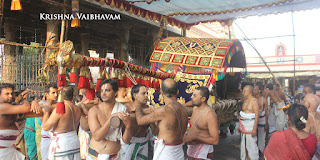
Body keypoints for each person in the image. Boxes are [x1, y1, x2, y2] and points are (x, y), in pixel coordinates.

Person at [135, 78, 188, 160]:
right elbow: (157, 131)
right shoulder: (183, 110)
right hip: (179, 153)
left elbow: (140, 121)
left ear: (161, 92)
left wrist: (137, 105)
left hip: (166, 154)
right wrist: (152, 119)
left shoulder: (164, 110)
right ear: (177, 92)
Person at [87, 79, 132, 160]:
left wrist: (128, 126)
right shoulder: (94, 111)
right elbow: (97, 137)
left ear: (115, 93)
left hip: (115, 155)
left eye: (107, 90)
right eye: (101, 91)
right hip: (95, 155)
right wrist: (110, 120)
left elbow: (126, 141)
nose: (103, 93)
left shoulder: (122, 109)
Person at [0, 83, 39, 159]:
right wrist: (26, 100)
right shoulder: (2, 107)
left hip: (9, 151)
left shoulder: (10, 105)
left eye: (12, 93)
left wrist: (33, 102)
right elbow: (26, 108)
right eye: (7, 94)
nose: (10, 96)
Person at [42, 86, 81, 160]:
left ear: (61, 96)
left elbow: (45, 127)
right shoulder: (77, 108)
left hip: (62, 144)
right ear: (72, 96)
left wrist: (46, 112)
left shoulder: (60, 108)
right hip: (74, 141)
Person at [183, 86, 219, 160]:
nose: (191, 97)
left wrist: (195, 137)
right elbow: (190, 103)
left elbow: (215, 141)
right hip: (191, 149)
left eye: (195, 95)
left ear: (203, 99)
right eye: (192, 94)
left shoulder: (210, 114)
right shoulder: (195, 108)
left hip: (203, 152)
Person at [123, 84, 153, 160]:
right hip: (129, 143)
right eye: (143, 93)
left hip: (144, 143)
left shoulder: (148, 108)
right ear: (135, 95)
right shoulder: (126, 107)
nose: (146, 96)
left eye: (147, 93)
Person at [238, 85, 259, 160]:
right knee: (244, 145)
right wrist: (239, 125)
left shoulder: (254, 101)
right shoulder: (245, 101)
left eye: (244, 91)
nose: (243, 92)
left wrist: (254, 129)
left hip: (250, 126)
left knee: (251, 146)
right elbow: (242, 114)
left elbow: (257, 115)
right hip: (244, 126)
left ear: (249, 91)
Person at [40, 84, 58, 160]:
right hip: (46, 138)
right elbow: (45, 125)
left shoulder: (60, 105)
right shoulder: (41, 105)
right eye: (53, 93)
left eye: (57, 93)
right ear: (46, 94)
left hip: (58, 139)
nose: (56, 95)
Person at [303, 93, 320, 159]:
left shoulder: (306, 117)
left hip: (312, 149)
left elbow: (304, 136)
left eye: (304, 101)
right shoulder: (318, 114)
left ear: (307, 105)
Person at [253, 85, 268, 155]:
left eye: (256, 89)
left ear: (259, 90)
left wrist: (266, 123)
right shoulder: (252, 100)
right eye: (254, 90)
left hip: (262, 120)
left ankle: (260, 151)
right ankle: (255, 151)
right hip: (254, 120)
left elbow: (267, 113)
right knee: (254, 137)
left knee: (262, 137)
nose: (255, 91)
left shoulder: (264, 100)